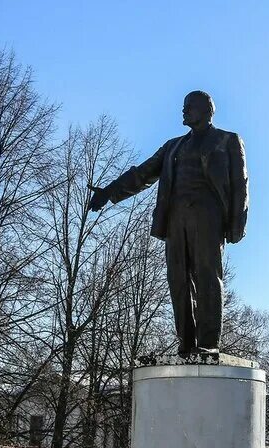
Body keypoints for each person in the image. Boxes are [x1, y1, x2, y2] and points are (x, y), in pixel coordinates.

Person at [87, 91, 248, 355]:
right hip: (175, 218)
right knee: (178, 279)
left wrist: (237, 223)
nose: (183, 112)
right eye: (183, 107)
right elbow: (144, 173)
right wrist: (109, 192)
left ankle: (208, 343)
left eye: (189, 107)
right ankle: (186, 343)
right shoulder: (173, 146)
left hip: (208, 216)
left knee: (208, 276)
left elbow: (241, 185)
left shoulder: (227, 141)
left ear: (206, 110)